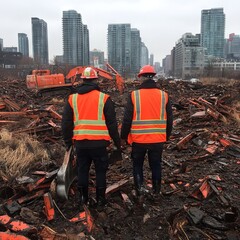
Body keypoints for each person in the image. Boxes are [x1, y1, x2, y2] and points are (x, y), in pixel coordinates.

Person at [62, 67, 121, 210]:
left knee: (82, 170)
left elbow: (66, 123)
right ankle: (101, 200)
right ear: (96, 80)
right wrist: (117, 143)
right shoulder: (104, 98)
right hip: (100, 144)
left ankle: (84, 199)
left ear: (82, 80)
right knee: (101, 171)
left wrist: (68, 142)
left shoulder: (72, 99)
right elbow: (112, 124)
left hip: (81, 144)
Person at [120, 65, 173, 200]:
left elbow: (127, 120)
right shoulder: (164, 95)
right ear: (153, 77)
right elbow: (170, 120)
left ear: (141, 78)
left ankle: (139, 190)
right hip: (157, 140)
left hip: (139, 140)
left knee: (137, 165)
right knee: (155, 164)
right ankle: (156, 191)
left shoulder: (134, 95)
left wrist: (123, 137)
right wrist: (165, 136)